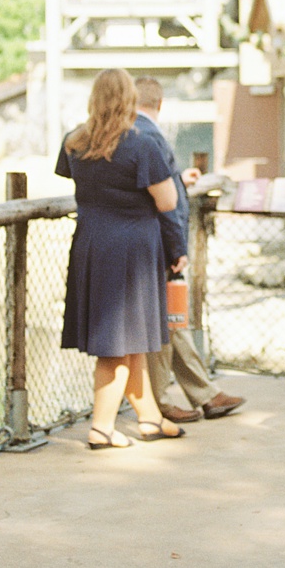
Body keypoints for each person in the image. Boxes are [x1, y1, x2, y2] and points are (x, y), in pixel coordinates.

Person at [57, 68, 186, 449]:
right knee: (116, 344)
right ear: (129, 98)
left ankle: (149, 419)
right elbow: (167, 201)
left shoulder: (74, 142)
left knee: (132, 340)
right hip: (133, 250)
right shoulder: (141, 144)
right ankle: (101, 428)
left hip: (92, 244)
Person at [131, 79, 245, 424]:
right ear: (160, 102)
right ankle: (164, 400)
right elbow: (162, 202)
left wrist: (180, 180)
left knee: (172, 322)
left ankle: (204, 395)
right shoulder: (148, 135)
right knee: (167, 323)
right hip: (157, 242)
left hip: (148, 242)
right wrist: (176, 246)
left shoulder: (134, 133)